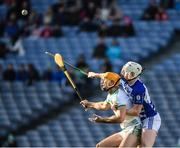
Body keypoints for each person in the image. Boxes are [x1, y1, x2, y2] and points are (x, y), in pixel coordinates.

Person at [80, 72, 142, 147]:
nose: (102, 82)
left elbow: (120, 118)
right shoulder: (112, 94)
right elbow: (103, 105)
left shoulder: (118, 96)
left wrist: (102, 120)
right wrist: (89, 104)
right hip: (126, 129)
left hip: (135, 129)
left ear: (112, 83)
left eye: (105, 80)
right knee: (100, 146)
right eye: (102, 80)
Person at [120, 61, 161, 146]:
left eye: (125, 71)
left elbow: (136, 111)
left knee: (145, 145)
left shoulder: (138, 89)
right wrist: (95, 74)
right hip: (138, 120)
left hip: (149, 118)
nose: (123, 72)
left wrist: (119, 110)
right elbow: (110, 76)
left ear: (132, 74)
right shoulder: (124, 80)